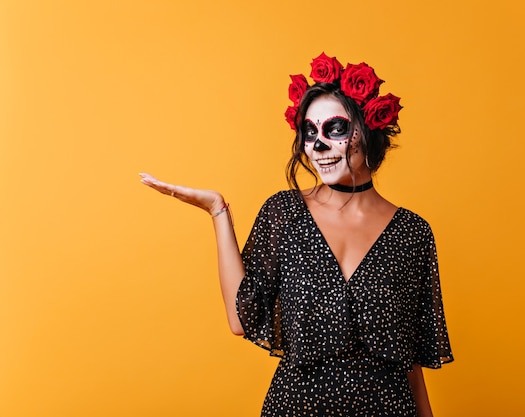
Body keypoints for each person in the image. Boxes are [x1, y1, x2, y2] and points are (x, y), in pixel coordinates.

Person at [140, 52, 453, 417]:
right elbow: (241, 321)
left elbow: (409, 361)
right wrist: (217, 212)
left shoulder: (412, 233)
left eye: (334, 129)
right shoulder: (285, 214)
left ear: (368, 129)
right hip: (296, 407)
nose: (318, 146)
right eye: (309, 132)